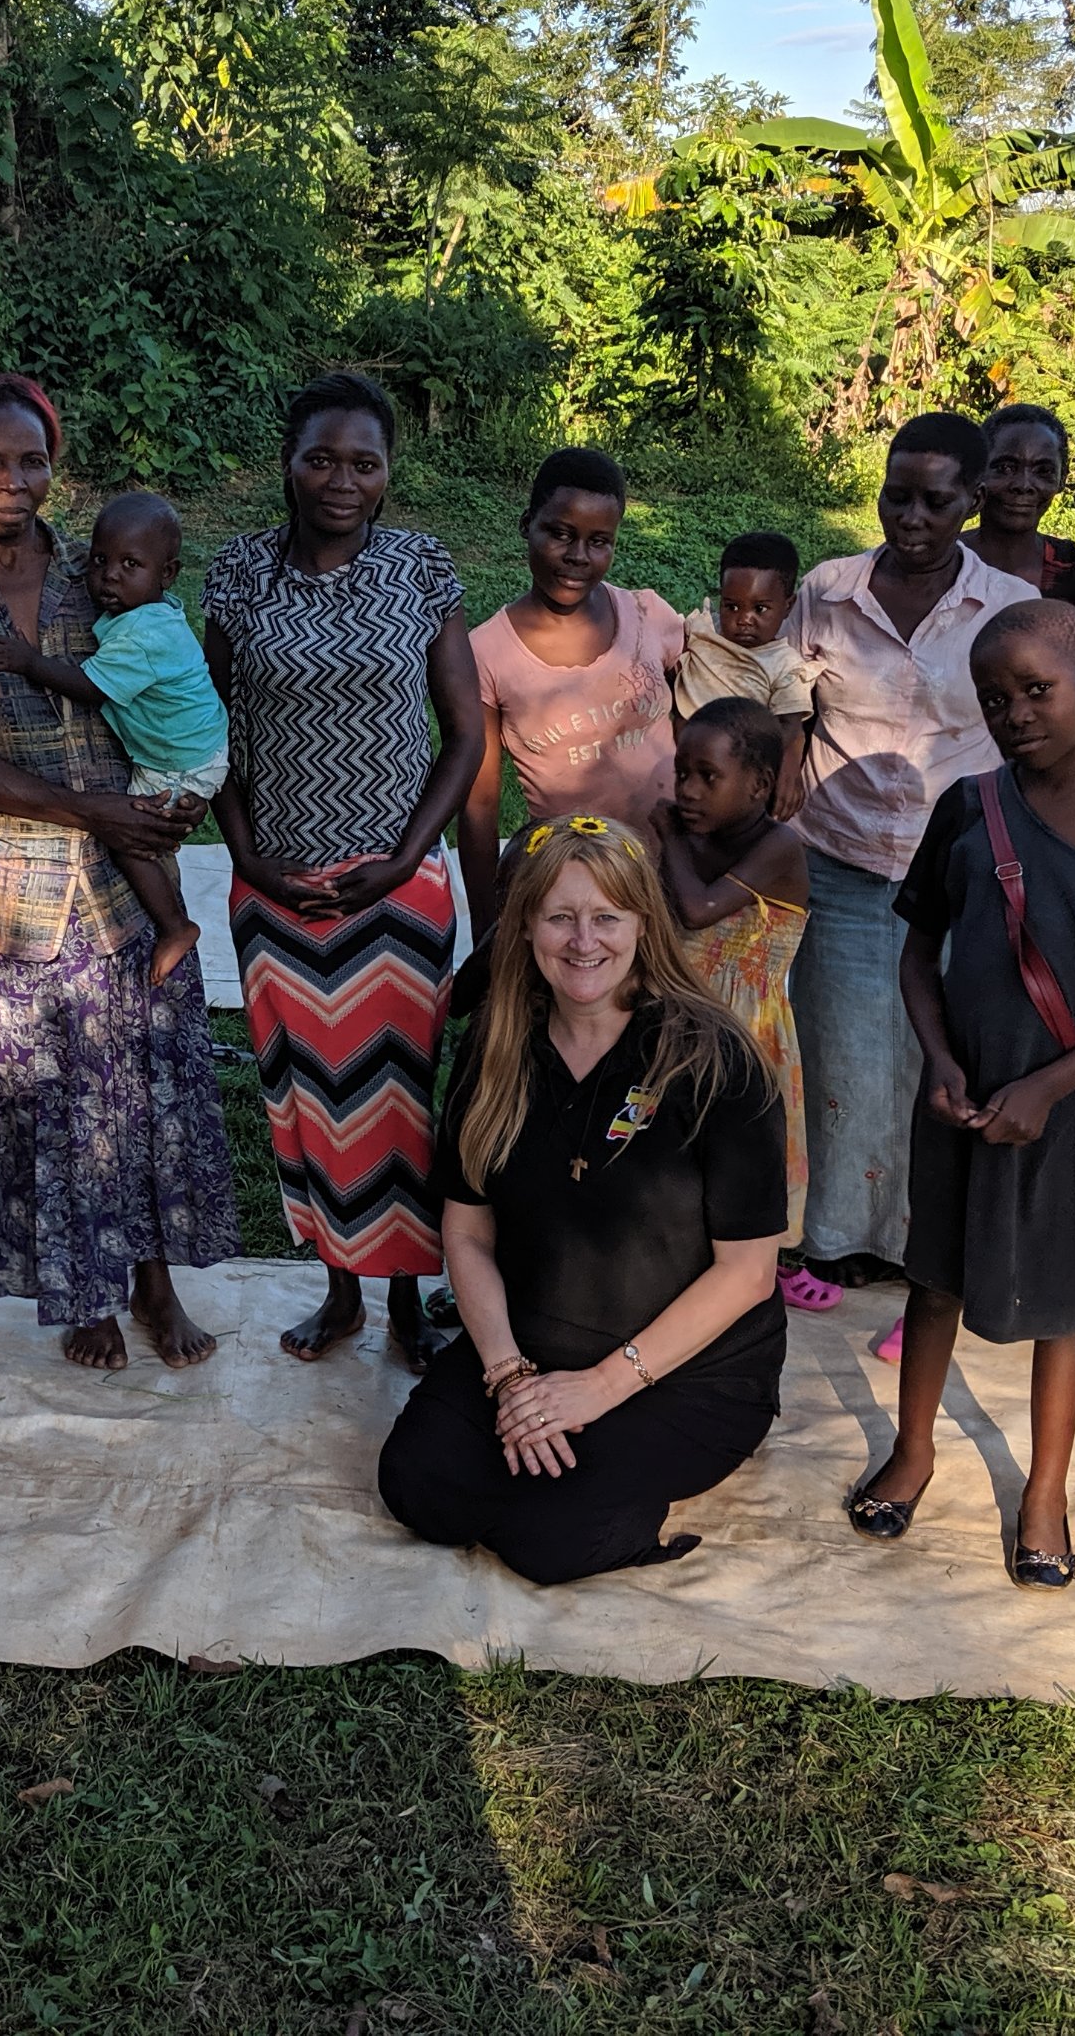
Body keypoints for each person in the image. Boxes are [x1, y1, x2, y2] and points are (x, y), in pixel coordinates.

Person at [847, 602, 1075, 1585]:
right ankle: (913, 1451)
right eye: (994, 697)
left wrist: (1050, 1085)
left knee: (1062, 1301)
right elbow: (920, 952)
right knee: (935, 1275)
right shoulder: (970, 808)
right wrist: (941, 1063)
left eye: (1036, 690)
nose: (1014, 713)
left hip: (1066, 1104)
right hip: (963, 1096)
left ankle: (1045, 1494)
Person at [0, 374, 238, 1370]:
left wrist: (186, 783)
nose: (14, 480)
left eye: (32, 460)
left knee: (147, 1094)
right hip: (22, 892)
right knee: (53, 1102)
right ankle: (85, 1295)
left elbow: (172, 685)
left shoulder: (102, 569)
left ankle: (155, 1285)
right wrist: (91, 810)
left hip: (134, 874)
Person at [376, 817, 787, 1585]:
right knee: (420, 1489)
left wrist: (598, 1389)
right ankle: (552, 1440)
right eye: (560, 917)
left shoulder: (714, 1059)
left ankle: (620, 1480)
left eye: (607, 916)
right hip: (532, 1342)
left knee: (551, 1541)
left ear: (643, 924)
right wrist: (510, 1377)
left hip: (682, 1365)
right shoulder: (498, 1046)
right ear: (525, 926)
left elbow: (749, 1273)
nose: (583, 941)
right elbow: (467, 1230)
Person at [205, 371, 480, 1371]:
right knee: (304, 1098)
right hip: (274, 894)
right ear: (287, 461)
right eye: (320, 458)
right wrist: (248, 855)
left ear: (388, 472)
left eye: (364, 463)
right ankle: (337, 1291)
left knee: (399, 1103)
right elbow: (206, 732)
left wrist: (404, 857)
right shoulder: (240, 573)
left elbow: (465, 734)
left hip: (396, 895)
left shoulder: (420, 567)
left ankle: (405, 1301)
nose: (341, 480)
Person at [782, 413, 1032, 1298]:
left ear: (974, 499)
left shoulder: (1006, 606)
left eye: (936, 501)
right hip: (839, 859)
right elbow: (786, 699)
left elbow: (1030, 727)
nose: (912, 517)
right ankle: (839, 1236)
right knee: (843, 1052)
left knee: (940, 1058)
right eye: (897, 497)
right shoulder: (829, 590)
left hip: (960, 871)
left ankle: (924, 1239)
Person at [0, 490, 228, 987]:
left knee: (132, 840)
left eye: (130, 564)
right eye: (99, 561)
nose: (109, 575)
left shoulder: (143, 636)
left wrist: (28, 662)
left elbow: (90, 687)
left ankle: (176, 926)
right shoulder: (148, 614)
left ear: (167, 574)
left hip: (181, 760)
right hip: (193, 743)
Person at [459, 447, 684, 937]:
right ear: (527, 525)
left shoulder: (649, 616)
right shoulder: (487, 653)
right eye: (560, 534)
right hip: (575, 893)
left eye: (598, 541)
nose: (578, 556)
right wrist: (487, 933)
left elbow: (699, 721)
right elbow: (479, 806)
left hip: (677, 876)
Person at [653, 698, 822, 1307]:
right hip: (679, 1026)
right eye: (682, 773)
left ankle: (750, 1284)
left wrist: (668, 837)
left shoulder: (780, 847)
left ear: (759, 785)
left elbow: (696, 911)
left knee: (737, 1167)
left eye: (708, 776)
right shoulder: (695, 842)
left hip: (746, 1037)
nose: (688, 791)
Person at [671, 528, 815, 810]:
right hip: (678, 763)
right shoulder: (703, 632)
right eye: (732, 607)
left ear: (788, 606)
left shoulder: (785, 666)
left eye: (760, 609)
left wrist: (750, 760)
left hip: (735, 778)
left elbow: (789, 725)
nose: (744, 619)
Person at [966, 405, 1075, 631]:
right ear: (977, 472)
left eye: (1043, 471)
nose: (1024, 485)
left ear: (1062, 479)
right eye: (1005, 468)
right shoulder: (938, 565)